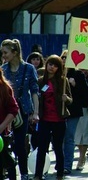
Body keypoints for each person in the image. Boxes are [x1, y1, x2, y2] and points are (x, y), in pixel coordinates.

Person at [1, 39, 40, 180]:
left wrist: (35, 112)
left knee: (19, 144)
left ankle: (23, 173)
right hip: (6, 113)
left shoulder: (29, 68)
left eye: (5, 52)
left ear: (15, 52)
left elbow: (35, 91)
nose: (3, 55)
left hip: (22, 111)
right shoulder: (3, 69)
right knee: (5, 144)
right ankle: (10, 173)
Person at [35, 55, 72, 180]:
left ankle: (60, 174)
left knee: (58, 148)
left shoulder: (63, 80)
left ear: (59, 68)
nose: (52, 67)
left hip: (59, 120)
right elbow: (35, 98)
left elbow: (70, 100)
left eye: (55, 65)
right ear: (46, 64)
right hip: (44, 119)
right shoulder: (40, 81)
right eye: (50, 64)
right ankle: (37, 174)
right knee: (42, 148)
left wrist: (66, 99)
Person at [73, 69, 88, 171]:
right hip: (76, 107)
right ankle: (82, 154)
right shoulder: (74, 75)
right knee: (77, 134)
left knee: (85, 132)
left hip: (87, 107)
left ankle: (82, 157)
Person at [0, 68, 19, 180]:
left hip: (1, 135)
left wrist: (2, 126)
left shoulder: (4, 88)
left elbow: (13, 109)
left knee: (7, 162)